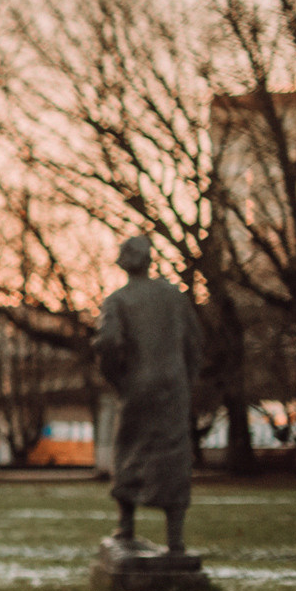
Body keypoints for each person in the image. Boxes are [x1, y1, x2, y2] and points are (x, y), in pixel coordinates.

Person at [94, 234, 205, 553]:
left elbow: (108, 343)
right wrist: (185, 380)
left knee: (129, 449)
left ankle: (126, 525)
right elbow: (194, 342)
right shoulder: (174, 297)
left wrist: (118, 380)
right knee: (174, 452)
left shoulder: (118, 300)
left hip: (138, 386)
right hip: (173, 386)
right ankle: (175, 539)